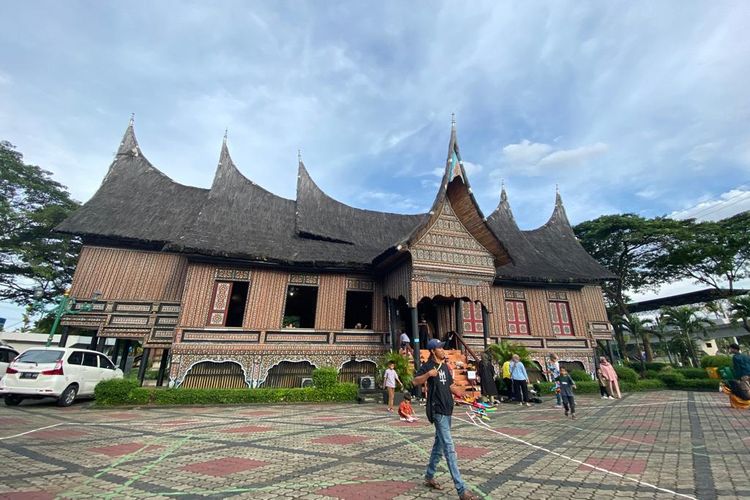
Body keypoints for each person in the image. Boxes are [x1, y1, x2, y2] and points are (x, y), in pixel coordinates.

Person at [413, 339, 477, 500]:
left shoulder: (446, 367)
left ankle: (429, 475)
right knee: (449, 448)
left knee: (439, 445)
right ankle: (461, 489)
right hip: (438, 410)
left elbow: (449, 385)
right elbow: (415, 381)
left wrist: (460, 393)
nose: (443, 350)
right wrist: (428, 375)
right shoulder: (428, 366)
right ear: (433, 351)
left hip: (448, 409)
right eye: (440, 348)